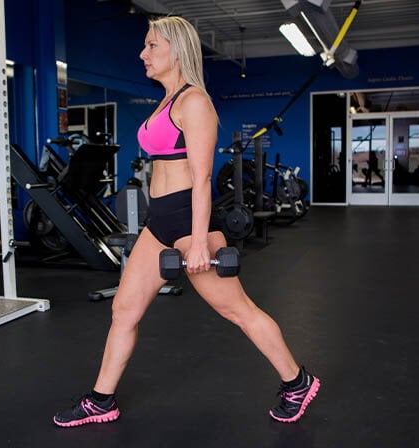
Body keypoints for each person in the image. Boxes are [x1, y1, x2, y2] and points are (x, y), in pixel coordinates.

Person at [53, 16, 320, 427]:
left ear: (176, 50)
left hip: (187, 220)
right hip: (159, 221)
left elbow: (202, 178)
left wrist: (197, 243)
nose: (143, 54)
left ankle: (297, 381)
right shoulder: (166, 99)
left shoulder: (194, 102)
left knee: (238, 310)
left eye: (151, 46)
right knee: (124, 310)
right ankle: (101, 400)